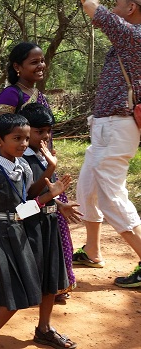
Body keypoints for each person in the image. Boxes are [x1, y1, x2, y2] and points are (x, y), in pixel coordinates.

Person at [0, 113, 70, 349]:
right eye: (17, 138)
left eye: (26, 138)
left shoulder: (23, 167)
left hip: (17, 231)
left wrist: (51, 192)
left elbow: (27, 202)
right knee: (15, 291)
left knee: (1, 289)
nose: (23, 143)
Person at [0, 42, 80, 301]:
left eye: (42, 60)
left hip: (44, 166)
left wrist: (50, 164)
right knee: (27, 223)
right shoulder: (11, 95)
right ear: (17, 67)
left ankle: (55, 282)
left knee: (55, 224)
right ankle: (26, 281)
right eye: (34, 62)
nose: (41, 65)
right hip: (20, 172)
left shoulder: (39, 95)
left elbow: (46, 135)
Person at [73, 0, 141, 288]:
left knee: (111, 197)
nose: (112, 8)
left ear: (131, 8)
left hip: (117, 126)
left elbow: (96, 11)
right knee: (87, 189)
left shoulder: (136, 36)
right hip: (106, 126)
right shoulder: (127, 39)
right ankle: (93, 251)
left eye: (117, 4)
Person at [19, 103, 78, 349]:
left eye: (48, 131)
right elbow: (27, 199)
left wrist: (60, 205)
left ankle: (44, 328)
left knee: (50, 278)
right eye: (39, 131)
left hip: (48, 222)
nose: (45, 137)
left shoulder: (44, 155)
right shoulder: (20, 159)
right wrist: (50, 166)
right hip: (27, 225)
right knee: (19, 275)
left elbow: (48, 189)